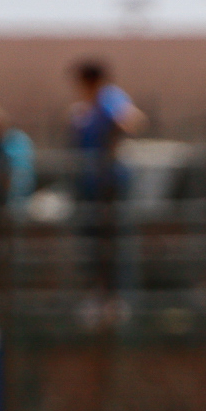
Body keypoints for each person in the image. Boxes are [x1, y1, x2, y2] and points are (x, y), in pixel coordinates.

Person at [68, 59, 145, 301]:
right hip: (91, 184)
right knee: (93, 244)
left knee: (112, 243)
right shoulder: (87, 108)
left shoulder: (109, 97)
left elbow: (131, 120)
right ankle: (99, 294)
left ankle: (117, 297)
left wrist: (111, 138)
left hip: (110, 183)